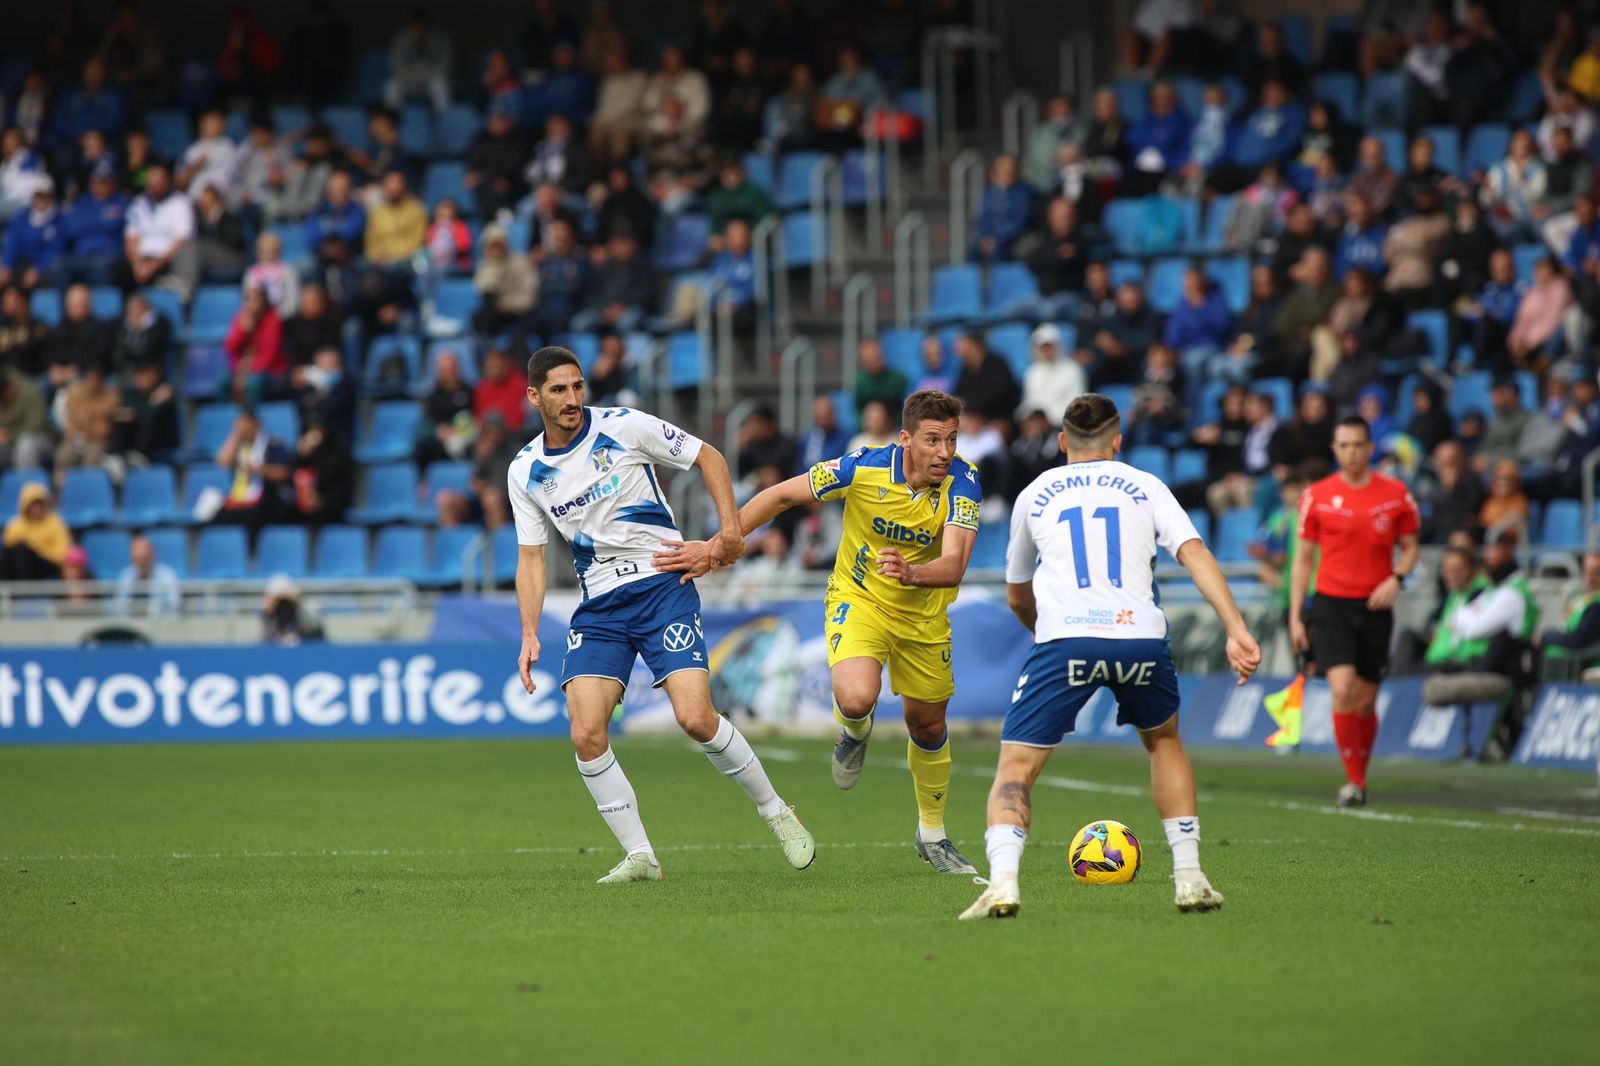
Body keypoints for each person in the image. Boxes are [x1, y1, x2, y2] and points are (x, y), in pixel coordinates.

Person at [507, 347, 813, 883]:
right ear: (534, 396)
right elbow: (530, 556)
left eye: (578, 386)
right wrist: (530, 632)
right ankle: (641, 856)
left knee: (695, 719)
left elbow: (710, 458)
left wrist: (729, 532)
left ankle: (776, 811)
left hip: (662, 586)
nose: (573, 398)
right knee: (585, 733)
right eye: (558, 390)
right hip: (599, 606)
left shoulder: (624, 426)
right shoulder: (525, 471)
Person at [960, 392, 1260, 920]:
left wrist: (1045, 632)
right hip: (1139, 637)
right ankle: (1189, 877)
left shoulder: (1036, 492)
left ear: (1061, 443)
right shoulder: (1147, 486)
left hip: (1065, 641)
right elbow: (1195, 554)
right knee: (1164, 741)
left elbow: (1016, 593)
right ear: (1118, 442)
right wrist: (1235, 628)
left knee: (1016, 767)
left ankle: (1003, 883)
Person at [666, 391, 983, 875]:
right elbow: (780, 496)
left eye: (952, 440)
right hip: (860, 601)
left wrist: (913, 573)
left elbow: (956, 563)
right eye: (933, 440)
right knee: (857, 698)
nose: (944, 452)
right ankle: (855, 730)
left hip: (924, 615)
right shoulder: (862, 467)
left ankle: (932, 834)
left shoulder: (965, 481)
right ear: (906, 439)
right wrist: (717, 546)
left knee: (928, 725)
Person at [1289, 416, 1421, 808]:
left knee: (1365, 700)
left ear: (1370, 447)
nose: (1351, 452)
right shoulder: (1317, 495)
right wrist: (1296, 614)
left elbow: (1411, 546)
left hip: (1375, 606)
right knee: (1342, 689)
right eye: (1344, 445)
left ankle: (1360, 777)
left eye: (1358, 444)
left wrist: (1396, 577)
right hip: (1331, 604)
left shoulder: (1397, 494)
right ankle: (1353, 781)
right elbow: (1302, 560)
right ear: (1334, 448)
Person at [0, 482, 72, 581]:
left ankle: (24, 589)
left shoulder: (55, 522)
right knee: (10, 552)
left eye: (39, 505)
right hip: (21, 565)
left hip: (48, 564)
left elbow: (63, 551)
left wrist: (36, 548)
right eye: (33, 505)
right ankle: (5, 588)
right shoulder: (16, 524)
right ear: (26, 506)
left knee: (23, 550)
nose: (36, 509)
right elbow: (9, 547)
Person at [111, 532, 181, 618]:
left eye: (143, 558)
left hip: (160, 624)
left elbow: (174, 605)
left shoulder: (166, 575)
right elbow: (119, 606)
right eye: (136, 559)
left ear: (152, 555)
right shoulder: (126, 576)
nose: (140, 563)